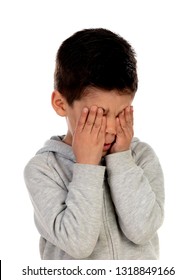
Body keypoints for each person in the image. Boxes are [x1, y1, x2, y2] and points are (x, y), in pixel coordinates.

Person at [24, 28, 164, 260]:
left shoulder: (141, 157)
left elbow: (142, 230)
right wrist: (87, 167)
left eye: (121, 113)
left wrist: (122, 160)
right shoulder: (43, 170)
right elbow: (78, 245)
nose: (110, 128)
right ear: (61, 104)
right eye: (99, 114)